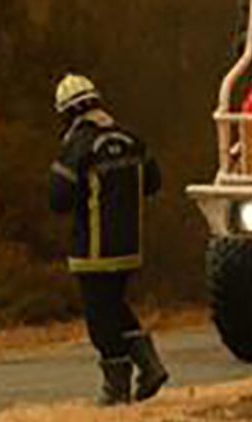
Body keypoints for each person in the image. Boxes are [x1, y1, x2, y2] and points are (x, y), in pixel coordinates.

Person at [47, 73, 168, 404]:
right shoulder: (131, 139)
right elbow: (154, 182)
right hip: (129, 247)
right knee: (114, 305)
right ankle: (149, 365)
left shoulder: (78, 147)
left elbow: (57, 199)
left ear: (67, 113)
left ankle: (116, 388)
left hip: (92, 250)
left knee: (100, 318)